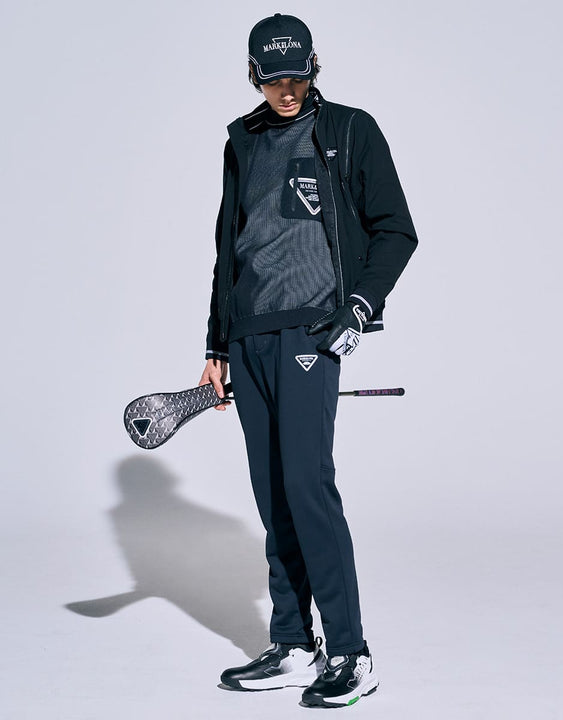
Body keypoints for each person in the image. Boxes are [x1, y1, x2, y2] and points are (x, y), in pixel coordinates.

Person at [199, 13, 417, 708]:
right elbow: (228, 247)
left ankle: (351, 654)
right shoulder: (241, 141)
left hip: (310, 333)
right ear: (253, 76)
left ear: (314, 67)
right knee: (272, 494)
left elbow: (396, 230)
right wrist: (216, 345)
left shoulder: (350, 130)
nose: (287, 91)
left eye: (297, 77)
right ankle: (294, 644)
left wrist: (358, 307)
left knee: (307, 486)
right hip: (248, 338)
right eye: (274, 80)